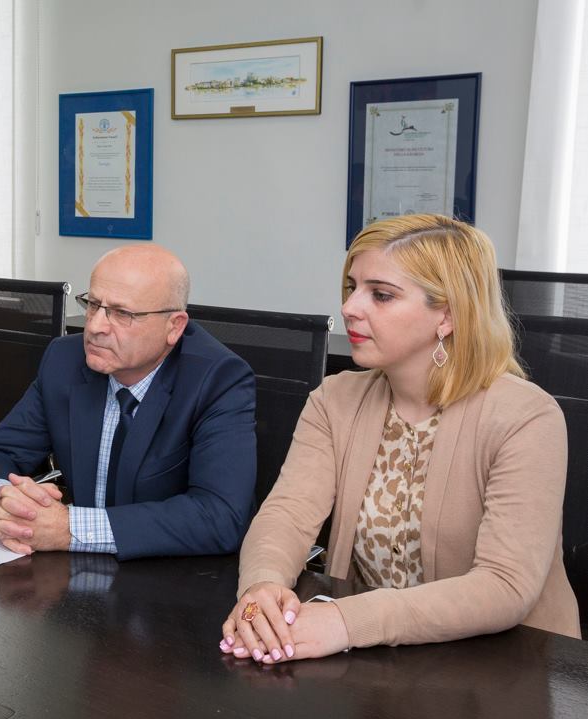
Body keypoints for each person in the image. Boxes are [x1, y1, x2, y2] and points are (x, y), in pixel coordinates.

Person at [221, 214, 580, 666]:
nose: (350, 307)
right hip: (377, 667)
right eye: (352, 287)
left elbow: (504, 584)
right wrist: (263, 588)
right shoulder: (335, 399)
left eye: (381, 294)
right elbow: (287, 515)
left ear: (447, 315)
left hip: (506, 666)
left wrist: (346, 620)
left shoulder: (526, 417)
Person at [0, 244, 257, 560]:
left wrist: (69, 528)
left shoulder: (218, 380)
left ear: (174, 327)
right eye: (93, 305)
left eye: (121, 313)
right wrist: (5, 503)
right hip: (73, 573)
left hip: (169, 576)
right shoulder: (64, 360)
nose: (94, 326)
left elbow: (220, 516)